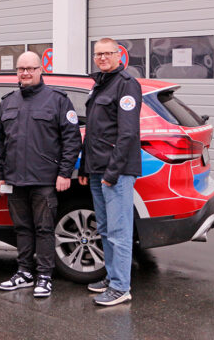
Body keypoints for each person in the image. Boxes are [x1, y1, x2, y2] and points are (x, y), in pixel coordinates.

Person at [0, 51, 81, 297]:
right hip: (14, 179)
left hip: (45, 179)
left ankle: (44, 276)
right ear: (17, 72)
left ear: (41, 70)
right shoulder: (8, 102)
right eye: (21, 69)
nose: (26, 73)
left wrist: (65, 173)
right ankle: (24, 272)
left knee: (44, 228)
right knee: (21, 229)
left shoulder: (58, 100)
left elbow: (72, 140)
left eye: (31, 68)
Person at [78, 38, 142, 306]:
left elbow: (127, 134)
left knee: (119, 231)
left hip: (114, 171)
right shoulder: (100, 84)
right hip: (96, 169)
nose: (102, 58)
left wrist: (111, 173)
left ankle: (120, 287)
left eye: (107, 53)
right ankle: (113, 276)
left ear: (119, 55)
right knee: (104, 228)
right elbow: (93, 131)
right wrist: (84, 166)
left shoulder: (126, 85)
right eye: (98, 54)